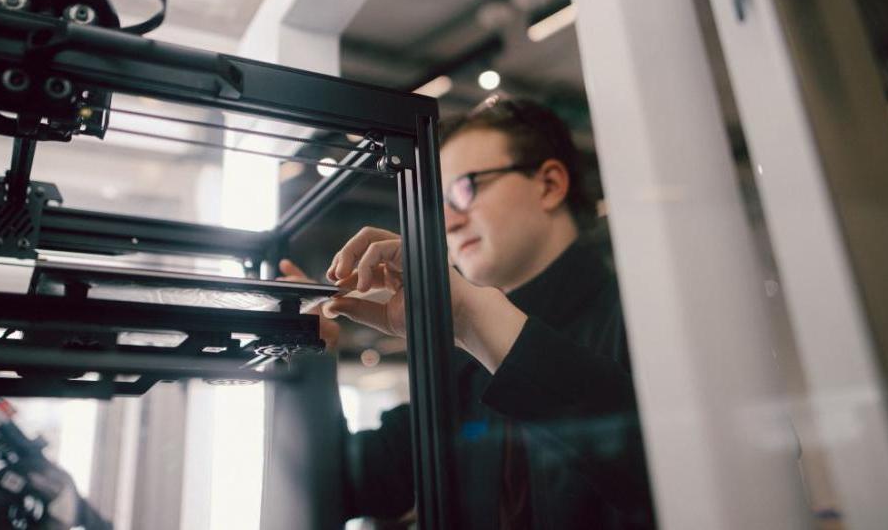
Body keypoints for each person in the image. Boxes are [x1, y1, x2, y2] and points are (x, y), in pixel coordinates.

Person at [281, 96, 656, 529]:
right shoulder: (460, 360)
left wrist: (471, 318)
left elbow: (662, 471)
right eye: (438, 203)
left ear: (550, 184)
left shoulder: (646, 316)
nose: (449, 222)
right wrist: (311, 351)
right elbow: (351, 486)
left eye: (466, 188)